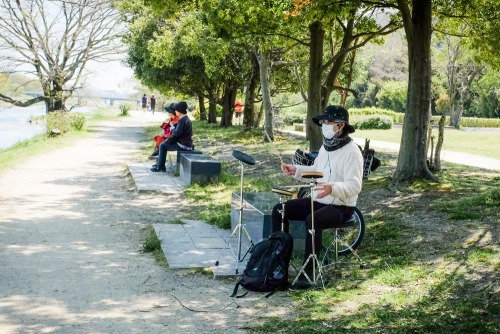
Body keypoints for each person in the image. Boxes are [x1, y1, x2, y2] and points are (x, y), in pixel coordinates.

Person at [271, 105, 363, 288]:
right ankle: (278, 265)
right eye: (322, 122)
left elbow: (355, 186)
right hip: (319, 199)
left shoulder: (352, 152)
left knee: (313, 220)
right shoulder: (325, 147)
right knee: (280, 210)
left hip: (342, 206)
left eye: (327, 122)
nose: (323, 125)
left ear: (340, 125)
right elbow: (316, 170)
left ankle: (309, 272)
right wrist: (295, 170)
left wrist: (333, 188)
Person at [151, 101, 193, 172]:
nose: (175, 111)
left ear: (180, 111)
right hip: (187, 143)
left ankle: (161, 167)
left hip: (183, 145)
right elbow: (181, 130)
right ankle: (159, 164)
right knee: (164, 144)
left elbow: (177, 133)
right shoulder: (186, 119)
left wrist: (172, 128)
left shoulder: (182, 120)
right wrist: (175, 125)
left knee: (163, 146)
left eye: (176, 110)